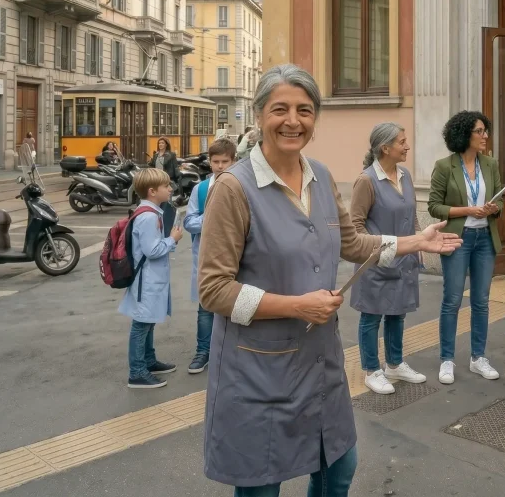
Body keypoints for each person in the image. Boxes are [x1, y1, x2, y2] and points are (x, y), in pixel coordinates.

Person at [198, 64, 461, 496]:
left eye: (305, 110)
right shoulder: (234, 189)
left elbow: (352, 242)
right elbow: (214, 289)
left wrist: (416, 242)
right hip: (258, 370)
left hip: (319, 364)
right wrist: (296, 306)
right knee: (263, 485)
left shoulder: (319, 176)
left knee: (338, 469)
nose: (293, 120)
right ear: (260, 113)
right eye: (280, 109)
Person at [349, 122, 426, 395]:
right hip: (376, 261)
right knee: (371, 316)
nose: (407, 146)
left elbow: (412, 213)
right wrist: (381, 249)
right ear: (385, 148)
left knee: (397, 313)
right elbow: (355, 227)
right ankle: (371, 370)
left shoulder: (404, 175)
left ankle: (394, 363)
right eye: (402, 142)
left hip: (404, 260)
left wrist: (418, 241)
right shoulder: (367, 181)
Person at [427, 110, 504, 386]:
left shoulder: (490, 164)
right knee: (452, 300)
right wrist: (467, 210)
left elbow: (500, 200)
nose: (485, 136)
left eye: (485, 131)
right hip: (457, 239)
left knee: (481, 301)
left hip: (485, 239)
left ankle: (478, 357)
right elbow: (434, 206)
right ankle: (447, 359)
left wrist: (493, 209)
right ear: (464, 135)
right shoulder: (445, 166)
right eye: (479, 131)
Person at [119, 167, 183, 390]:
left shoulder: (150, 212)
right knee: (142, 323)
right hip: (146, 281)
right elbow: (151, 250)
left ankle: (148, 360)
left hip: (149, 279)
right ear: (152, 191)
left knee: (148, 322)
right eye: (166, 186)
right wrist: (173, 239)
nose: (170, 189)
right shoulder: (148, 216)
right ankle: (137, 371)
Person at [183, 137, 237, 375]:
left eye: (225, 161)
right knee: (205, 308)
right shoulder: (201, 189)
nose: (220, 166)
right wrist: (211, 219)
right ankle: (203, 351)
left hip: (236, 257)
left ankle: (232, 352)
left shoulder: (242, 185)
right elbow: (189, 221)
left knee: (235, 306)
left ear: (233, 160)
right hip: (206, 257)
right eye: (216, 162)